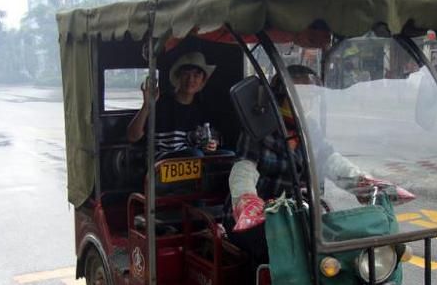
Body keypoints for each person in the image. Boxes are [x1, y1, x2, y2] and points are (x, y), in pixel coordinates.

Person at [223, 65, 413, 266]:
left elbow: (330, 160)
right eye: (299, 96)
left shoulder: (309, 128)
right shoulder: (259, 129)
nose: (305, 103)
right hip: (256, 219)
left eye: (310, 97)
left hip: (297, 214)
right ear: (280, 97)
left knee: (338, 248)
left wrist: (363, 182)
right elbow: (244, 168)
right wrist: (247, 200)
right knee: (284, 253)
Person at [126, 51, 220, 158]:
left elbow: (211, 139)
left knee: (228, 155)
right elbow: (132, 136)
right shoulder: (159, 102)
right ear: (178, 77)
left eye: (196, 75)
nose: (190, 79)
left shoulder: (202, 108)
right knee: (195, 155)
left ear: (203, 81)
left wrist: (211, 144)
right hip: (162, 161)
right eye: (186, 74)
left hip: (194, 161)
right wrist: (147, 105)